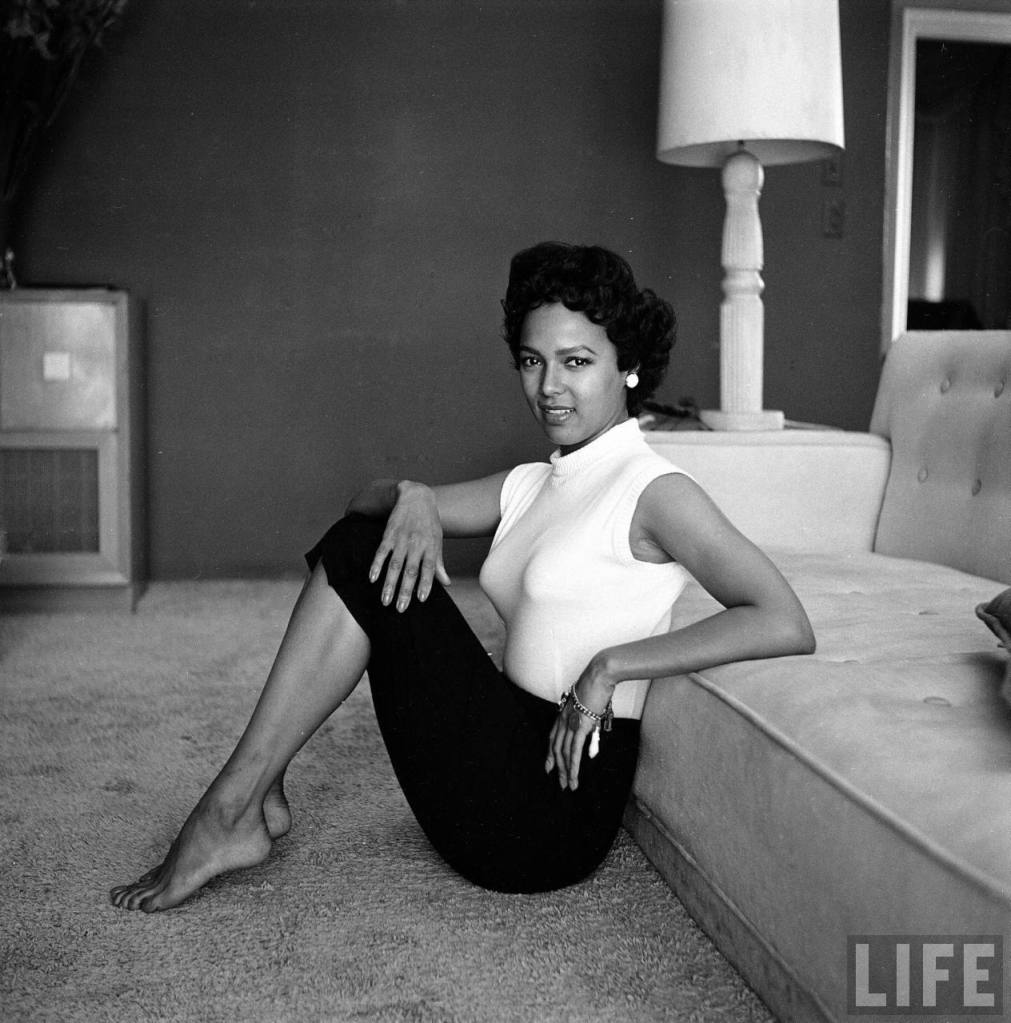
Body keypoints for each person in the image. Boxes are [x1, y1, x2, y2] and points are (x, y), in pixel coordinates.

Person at [110, 242, 815, 912]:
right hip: (502, 748)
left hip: (549, 815)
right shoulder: (533, 482)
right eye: (532, 361)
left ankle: (233, 806)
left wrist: (609, 668)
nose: (549, 387)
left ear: (626, 365)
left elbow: (783, 619)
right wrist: (414, 495)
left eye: (576, 361)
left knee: (362, 554)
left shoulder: (655, 490)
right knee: (364, 542)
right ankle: (244, 797)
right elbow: (361, 507)